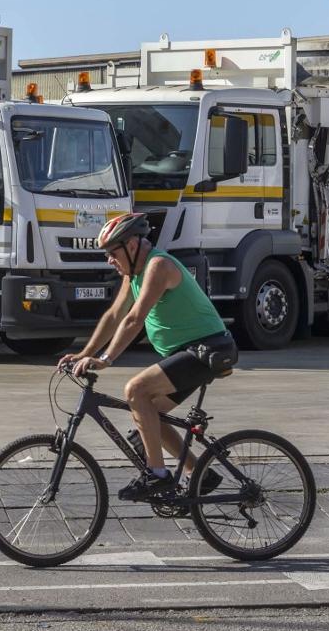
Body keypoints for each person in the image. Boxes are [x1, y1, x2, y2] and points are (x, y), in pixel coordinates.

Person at [58, 212, 236, 501]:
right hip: (185, 353)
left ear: (130, 246)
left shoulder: (158, 265)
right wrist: (84, 353)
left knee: (136, 390)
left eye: (111, 252)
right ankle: (200, 475)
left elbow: (134, 319)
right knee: (150, 413)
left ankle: (157, 474)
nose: (108, 260)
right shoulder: (134, 274)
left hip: (205, 350)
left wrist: (105, 359)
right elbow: (115, 315)